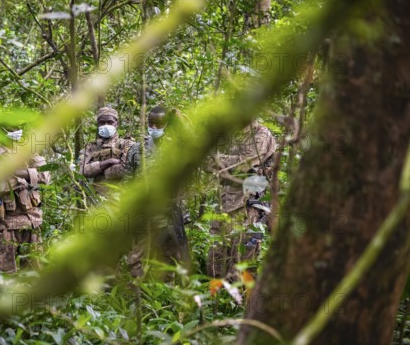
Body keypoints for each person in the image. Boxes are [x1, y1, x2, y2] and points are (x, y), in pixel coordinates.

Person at [205, 119, 276, 280]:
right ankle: (216, 301)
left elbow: (245, 163)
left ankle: (242, 304)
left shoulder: (261, 134)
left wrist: (219, 160)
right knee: (215, 261)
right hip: (223, 206)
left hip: (247, 208)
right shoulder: (229, 134)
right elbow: (207, 163)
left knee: (242, 266)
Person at [125, 106, 191, 279]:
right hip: (143, 216)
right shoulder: (136, 150)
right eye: (151, 124)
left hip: (171, 215)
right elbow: (127, 184)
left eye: (158, 124)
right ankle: (137, 293)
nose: (154, 128)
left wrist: (180, 124)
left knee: (169, 260)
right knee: (136, 260)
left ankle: (165, 297)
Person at [0, 126, 51, 273]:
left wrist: (11, 172)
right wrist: (29, 176)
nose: (17, 131)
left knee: (34, 270)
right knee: (4, 272)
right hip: (5, 223)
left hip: (31, 220)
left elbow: (45, 176)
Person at [79, 107, 135, 197]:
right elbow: (82, 171)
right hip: (97, 197)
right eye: (102, 122)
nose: (106, 125)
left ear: (117, 124)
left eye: (110, 122)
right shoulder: (91, 147)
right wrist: (109, 162)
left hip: (121, 197)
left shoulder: (127, 144)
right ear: (98, 124)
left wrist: (101, 171)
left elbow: (127, 169)